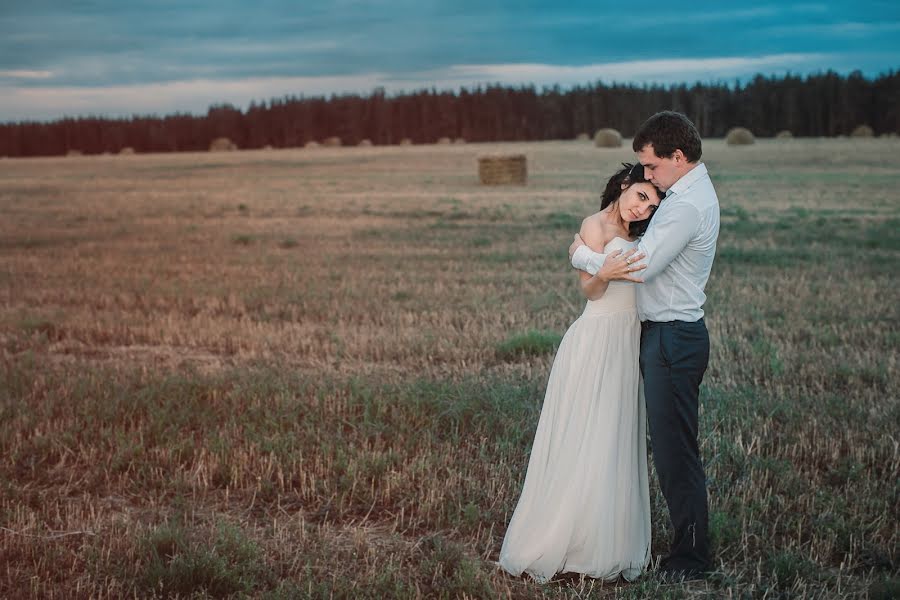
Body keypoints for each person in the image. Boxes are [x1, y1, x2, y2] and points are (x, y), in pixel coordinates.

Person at [568, 111, 720, 581]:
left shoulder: (684, 206)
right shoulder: (679, 197)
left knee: (675, 452)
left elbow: (640, 267)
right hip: (661, 335)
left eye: (652, 167)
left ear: (678, 156)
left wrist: (580, 255)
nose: (647, 176)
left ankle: (691, 559)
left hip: (673, 337)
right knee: (669, 447)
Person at [498, 162, 663, 583]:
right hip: (596, 339)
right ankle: (565, 538)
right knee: (584, 432)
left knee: (614, 435)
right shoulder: (594, 226)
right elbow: (589, 289)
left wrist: (587, 257)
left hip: (628, 341)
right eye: (641, 196)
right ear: (625, 185)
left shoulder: (639, 237)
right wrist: (599, 268)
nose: (643, 208)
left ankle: (606, 539)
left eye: (652, 205)